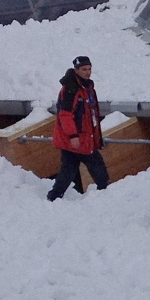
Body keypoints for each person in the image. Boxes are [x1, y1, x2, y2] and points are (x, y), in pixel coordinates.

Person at [47, 56, 109, 201]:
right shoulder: (71, 89)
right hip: (78, 138)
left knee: (68, 169)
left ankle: (54, 196)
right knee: (96, 163)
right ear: (76, 70)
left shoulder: (86, 87)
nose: (88, 72)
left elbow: (89, 111)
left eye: (89, 69)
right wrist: (73, 136)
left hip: (81, 136)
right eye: (84, 69)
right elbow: (65, 115)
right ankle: (105, 191)